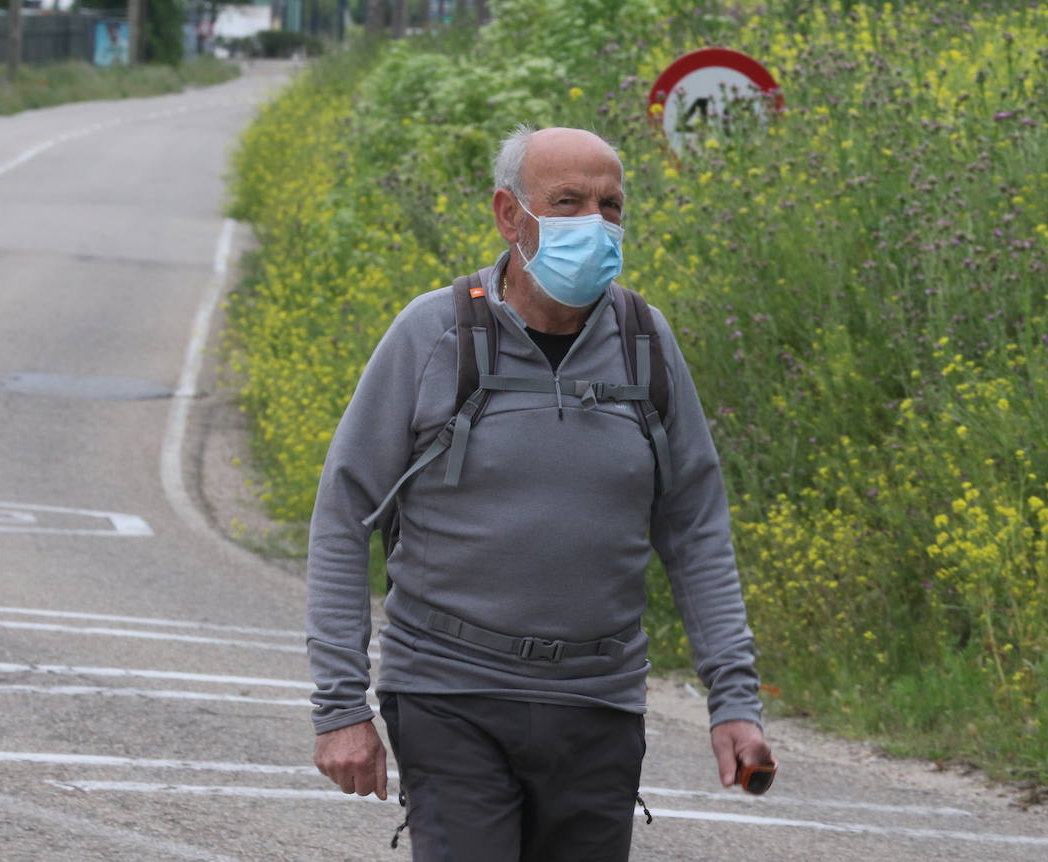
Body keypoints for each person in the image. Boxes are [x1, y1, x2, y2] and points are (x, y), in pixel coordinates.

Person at [306, 125, 772, 861]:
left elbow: (696, 531)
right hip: (449, 694)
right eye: (567, 202)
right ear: (509, 214)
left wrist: (734, 700)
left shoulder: (647, 345)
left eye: (611, 206)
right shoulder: (434, 335)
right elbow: (343, 518)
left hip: (599, 703)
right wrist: (340, 706)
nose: (594, 223)